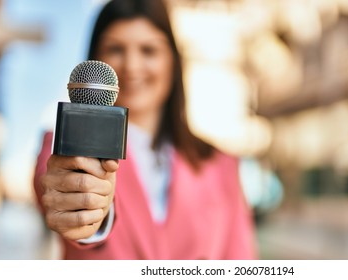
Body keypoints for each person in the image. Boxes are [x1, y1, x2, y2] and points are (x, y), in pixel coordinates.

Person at [33, 0, 256, 260]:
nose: (132, 65)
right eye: (116, 49)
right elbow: (65, 201)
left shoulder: (222, 165)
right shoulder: (63, 146)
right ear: (96, 59)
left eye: (148, 50)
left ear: (173, 61)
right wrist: (88, 214)